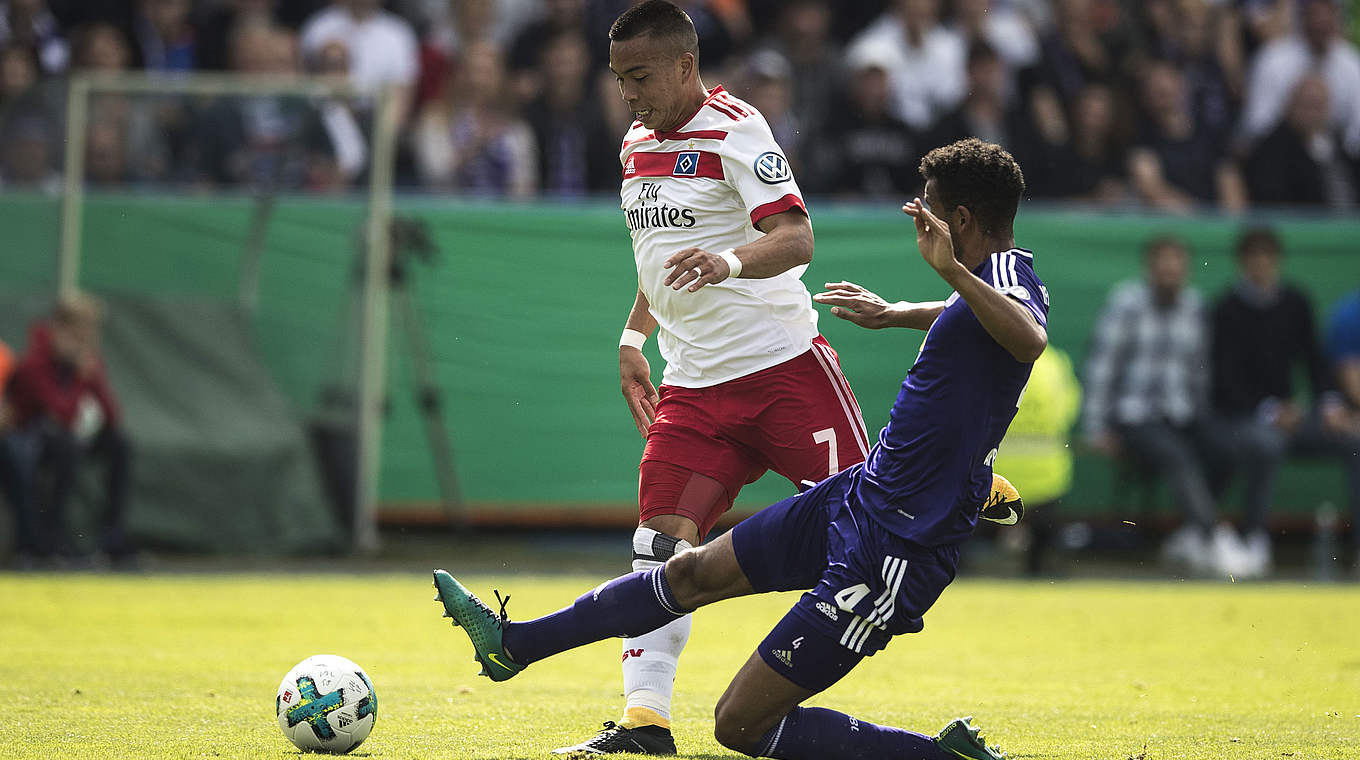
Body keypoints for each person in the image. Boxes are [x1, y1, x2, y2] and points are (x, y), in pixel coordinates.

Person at [433, 137, 1043, 760]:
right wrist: (895, 313)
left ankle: (941, 757)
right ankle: (514, 644)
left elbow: (1028, 338)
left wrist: (951, 270)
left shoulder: (1003, 274)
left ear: (961, 221)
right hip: (859, 497)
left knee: (740, 727)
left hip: (900, 544)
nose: (925, 225)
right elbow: (965, 317)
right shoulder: (982, 287)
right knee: (685, 570)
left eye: (931, 212)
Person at [549, 2, 873, 754]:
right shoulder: (635, 143)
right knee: (656, 550)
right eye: (619, 77)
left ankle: (959, 482)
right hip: (693, 387)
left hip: (785, 370)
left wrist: (728, 263)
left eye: (641, 75)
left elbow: (796, 238)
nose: (629, 93)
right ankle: (644, 723)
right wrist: (634, 335)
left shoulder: (737, 129)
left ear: (685, 65)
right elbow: (660, 260)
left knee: (872, 523)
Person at [1083, 236, 1245, 577]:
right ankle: (1211, 536)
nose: (1170, 273)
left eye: (1176, 267)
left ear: (1185, 271)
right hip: (1134, 415)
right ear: (1150, 268)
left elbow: (1200, 370)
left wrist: (1203, 414)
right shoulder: (1126, 303)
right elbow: (1103, 367)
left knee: (1227, 448)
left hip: (1183, 412)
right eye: (1163, 266)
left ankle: (1192, 533)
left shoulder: (1195, 306)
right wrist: (1097, 428)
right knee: (1176, 455)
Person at [1207, 227, 1359, 578]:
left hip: (1294, 416)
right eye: (1254, 257)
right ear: (1242, 262)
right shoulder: (1226, 308)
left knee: (1355, 440)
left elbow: (1315, 363)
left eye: (1268, 257)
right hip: (1241, 418)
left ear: (1277, 261)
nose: (1261, 265)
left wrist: (1330, 405)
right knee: (1266, 445)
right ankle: (1254, 540)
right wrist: (1271, 410)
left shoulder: (1296, 301)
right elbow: (1224, 380)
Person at [0, 294, 133, 566]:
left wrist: (92, 378)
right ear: (58, 330)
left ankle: (112, 539)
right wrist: (82, 380)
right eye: (77, 332)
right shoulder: (33, 365)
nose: (83, 340)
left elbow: (112, 416)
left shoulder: (84, 364)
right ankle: (48, 540)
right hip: (29, 443)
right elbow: (59, 412)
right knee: (64, 446)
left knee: (119, 443)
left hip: (63, 442)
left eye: (89, 332)